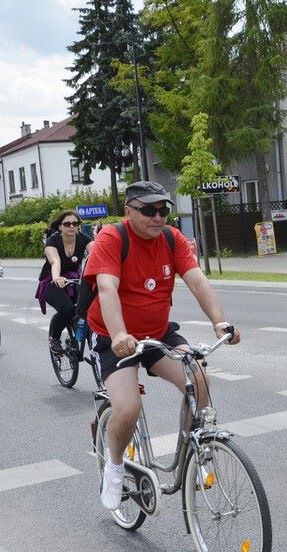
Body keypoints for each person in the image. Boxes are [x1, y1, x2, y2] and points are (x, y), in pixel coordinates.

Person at [84, 181, 240, 510]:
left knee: (198, 377)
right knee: (128, 408)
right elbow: (107, 289)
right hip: (114, 338)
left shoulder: (171, 238)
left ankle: (192, 453)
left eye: (164, 209)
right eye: (149, 210)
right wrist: (119, 335)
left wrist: (219, 322)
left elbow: (197, 280)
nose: (159, 217)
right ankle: (113, 467)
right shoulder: (112, 238)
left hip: (156, 333)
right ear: (129, 211)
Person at [37, 210, 92, 353]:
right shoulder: (53, 241)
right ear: (60, 226)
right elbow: (55, 261)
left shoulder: (83, 238)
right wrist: (57, 278)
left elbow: (97, 253)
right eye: (67, 224)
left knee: (89, 306)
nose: (72, 226)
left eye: (75, 223)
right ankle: (54, 338)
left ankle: (73, 337)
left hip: (75, 279)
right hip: (52, 281)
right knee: (67, 309)